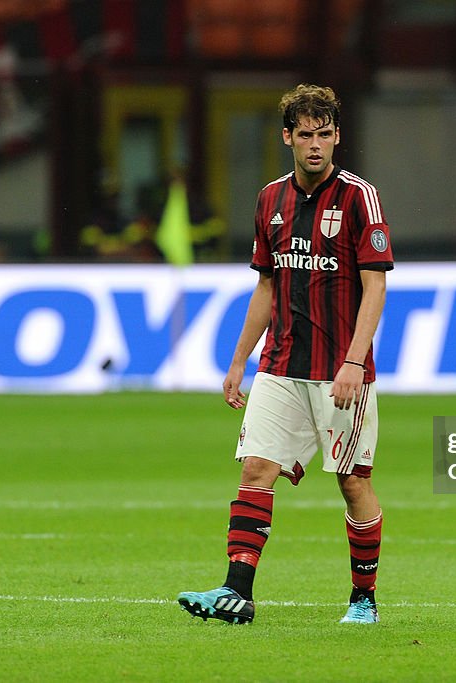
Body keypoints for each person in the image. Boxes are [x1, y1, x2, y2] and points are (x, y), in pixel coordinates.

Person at [177, 84, 394, 625]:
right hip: (281, 364)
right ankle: (237, 592)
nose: (316, 145)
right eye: (306, 135)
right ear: (288, 138)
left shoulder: (358, 198)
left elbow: (376, 288)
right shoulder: (269, 199)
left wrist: (352, 361)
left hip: (340, 371)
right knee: (256, 468)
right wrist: (238, 362)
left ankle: (362, 599)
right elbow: (266, 288)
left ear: (338, 136)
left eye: (325, 135)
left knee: (352, 481)